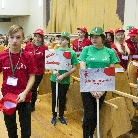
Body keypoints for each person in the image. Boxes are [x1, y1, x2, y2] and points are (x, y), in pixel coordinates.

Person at [79, 27, 119, 138]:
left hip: (102, 86)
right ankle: (86, 136)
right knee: (89, 114)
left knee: (96, 113)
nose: (94, 39)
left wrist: (102, 89)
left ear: (102, 38)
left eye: (96, 37)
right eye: (92, 37)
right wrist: (91, 88)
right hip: (87, 86)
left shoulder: (110, 52)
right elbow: (83, 70)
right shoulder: (86, 50)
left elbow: (111, 71)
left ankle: (91, 135)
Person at [0, 25, 37, 138]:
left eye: (18, 37)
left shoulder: (28, 56)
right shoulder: (2, 56)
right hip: (7, 97)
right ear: (8, 38)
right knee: (11, 128)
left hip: (24, 97)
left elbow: (32, 76)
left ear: (23, 39)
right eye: (12, 37)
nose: (14, 40)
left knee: (26, 130)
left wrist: (25, 92)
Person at [50, 32, 79, 125]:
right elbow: (51, 64)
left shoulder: (72, 52)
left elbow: (74, 67)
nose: (60, 41)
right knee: (55, 98)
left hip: (65, 80)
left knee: (62, 98)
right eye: (59, 39)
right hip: (54, 79)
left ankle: (61, 115)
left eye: (62, 39)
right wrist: (54, 71)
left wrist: (63, 75)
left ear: (67, 40)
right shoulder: (56, 51)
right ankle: (54, 116)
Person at [25, 29, 48, 112]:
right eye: (35, 36)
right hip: (28, 71)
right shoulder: (28, 45)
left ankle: (32, 105)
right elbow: (25, 57)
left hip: (39, 72)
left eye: (39, 37)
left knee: (33, 88)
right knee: (27, 87)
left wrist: (45, 69)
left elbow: (47, 60)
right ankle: (26, 103)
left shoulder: (45, 48)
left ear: (42, 38)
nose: (37, 39)